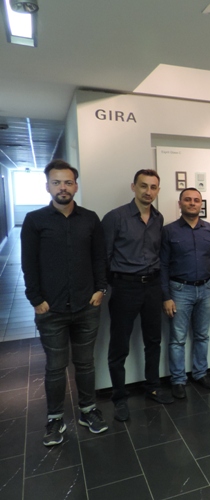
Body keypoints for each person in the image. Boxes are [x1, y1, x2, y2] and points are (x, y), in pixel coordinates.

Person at [21, 160, 109, 446]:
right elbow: (28, 263)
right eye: (56, 182)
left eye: (68, 182)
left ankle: (88, 411)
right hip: (51, 309)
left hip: (86, 305)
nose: (63, 187)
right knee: (56, 367)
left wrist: (101, 289)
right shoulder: (35, 220)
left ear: (76, 186)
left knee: (85, 363)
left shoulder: (90, 219)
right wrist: (36, 299)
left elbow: (99, 257)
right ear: (47, 186)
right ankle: (55, 418)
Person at [102, 169, 173, 422]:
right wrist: (112, 284)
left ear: (158, 190)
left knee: (153, 340)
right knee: (119, 345)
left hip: (152, 286)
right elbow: (104, 256)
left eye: (153, 187)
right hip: (125, 288)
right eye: (143, 186)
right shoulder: (115, 217)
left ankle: (152, 386)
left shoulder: (158, 218)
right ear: (134, 187)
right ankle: (119, 397)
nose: (148, 192)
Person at [161, 188, 210, 399]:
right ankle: (178, 380)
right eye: (187, 200)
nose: (192, 203)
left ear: (201, 204)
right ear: (180, 204)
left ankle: (200, 373)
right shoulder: (169, 231)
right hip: (179, 290)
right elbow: (163, 266)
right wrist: (166, 296)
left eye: (196, 200)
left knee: (202, 336)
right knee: (178, 339)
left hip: (206, 289)